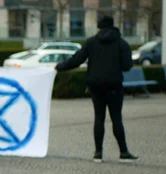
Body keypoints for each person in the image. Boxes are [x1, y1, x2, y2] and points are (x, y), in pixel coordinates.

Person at [56, 15, 139, 163]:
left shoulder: (91, 43)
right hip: (114, 86)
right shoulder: (121, 43)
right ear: (113, 26)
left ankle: (98, 153)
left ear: (99, 27)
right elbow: (127, 66)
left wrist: (59, 67)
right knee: (116, 119)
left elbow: (77, 60)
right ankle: (123, 152)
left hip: (95, 86)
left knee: (99, 118)